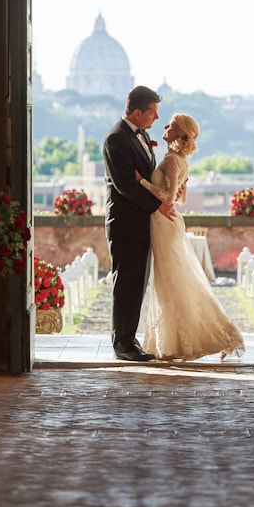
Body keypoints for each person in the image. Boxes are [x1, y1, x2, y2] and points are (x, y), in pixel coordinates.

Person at [136, 113, 245, 362]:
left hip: (165, 224)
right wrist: (175, 190)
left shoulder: (172, 160)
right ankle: (173, 343)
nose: (166, 126)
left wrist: (142, 182)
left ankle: (182, 342)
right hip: (166, 223)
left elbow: (169, 198)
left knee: (170, 283)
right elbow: (181, 199)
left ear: (180, 134)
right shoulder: (180, 160)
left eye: (172, 125)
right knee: (171, 283)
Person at [103, 85, 176, 362]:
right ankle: (122, 343)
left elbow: (146, 178)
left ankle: (129, 338)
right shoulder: (116, 139)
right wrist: (158, 205)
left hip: (141, 223)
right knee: (126, 283)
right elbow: (125, 185)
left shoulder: (142, 135)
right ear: (136, 112)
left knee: (137, 283)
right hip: (125, 223)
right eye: (152, 113)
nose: (156, 118)